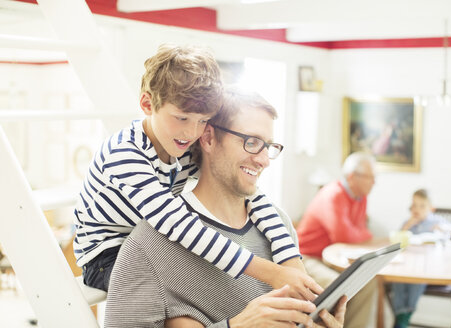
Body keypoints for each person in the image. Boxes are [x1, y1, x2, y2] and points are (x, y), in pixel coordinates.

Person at [73, 44, 316, 297]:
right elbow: (178, 224)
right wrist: (274, 274)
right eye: (182, 118)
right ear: (147, 104)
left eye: (202, 121)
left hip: (147, 244)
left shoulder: (183, 146)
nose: (191, 133)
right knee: (185, 290)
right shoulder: (124, 154)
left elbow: (252, 197)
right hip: (104, 257)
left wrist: (291, 262)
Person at [104, 86, 346, 328]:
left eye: (269, 147)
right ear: (208, 138)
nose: (263, 160)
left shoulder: (279, 225)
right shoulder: (147, 247)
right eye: (251, 142)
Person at [296, 152, 377, 327]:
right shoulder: (333, 195)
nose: (374, 182)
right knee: (342, 288)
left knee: (368, 282)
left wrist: (359, 234)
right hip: (307, 259)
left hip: (332, 259)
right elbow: (345, 236)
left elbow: (358, 233)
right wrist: (362, 234)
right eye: (369, 177)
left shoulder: (361, 198)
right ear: (352, 177)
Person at [389, 189, 451, 328]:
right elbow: (396, 242)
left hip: (427, 269)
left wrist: (445, 229)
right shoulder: (408, 223)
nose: (417, 209)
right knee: (397, 278)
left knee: (416, 279)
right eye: (414, 205)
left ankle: (404, 316)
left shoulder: (436, 221)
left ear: (431, 208)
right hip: (407, 266)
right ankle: (402, 313)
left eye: (422, 205)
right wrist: (407, 227)